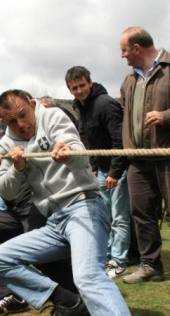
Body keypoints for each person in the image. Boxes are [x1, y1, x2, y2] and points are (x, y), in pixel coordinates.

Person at [0, 90, 160, 316]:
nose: (21, 125)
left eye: (22, 115)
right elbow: (7, 191)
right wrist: (17, 167)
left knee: (88, 275)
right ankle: (67, 301)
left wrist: (67, 154)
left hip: (84, 208)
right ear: (3, 121)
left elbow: (81, 156)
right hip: (53, 221)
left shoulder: (53, 116)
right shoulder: (7, 141)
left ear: (31, 106)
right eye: (12, 121)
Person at [119, 27, 170, 287]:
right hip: (138, 159)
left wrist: (166, 116)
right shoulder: (129, 80)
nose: (122, 56)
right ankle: (150, 265)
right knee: (140, 213)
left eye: (124, 50)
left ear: (137, 47)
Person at [65, 66, 130, 278]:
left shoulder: (106, 104)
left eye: (82, 85)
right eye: (74, 88)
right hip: (100, 169)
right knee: (104, 216)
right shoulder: (80, 107)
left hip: (116, 170)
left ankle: (118, 260)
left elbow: (119, 140)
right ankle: (109, 254)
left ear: (90, 83)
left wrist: (115, 172)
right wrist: (93, 167)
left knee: (119, 216)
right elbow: (89, 142)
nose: (79, 91)